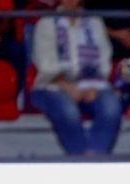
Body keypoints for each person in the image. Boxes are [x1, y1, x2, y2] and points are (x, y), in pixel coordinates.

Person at [31, 0, 122, 156]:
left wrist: (92, 84)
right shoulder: (47, 23)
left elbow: (104, 58)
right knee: (69, 112)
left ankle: (94, 156)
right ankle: (80, 158)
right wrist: (67, 86)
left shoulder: (95, 22)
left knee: (111, 106)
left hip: (92, 83)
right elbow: (45, 63)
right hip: (53, 84)